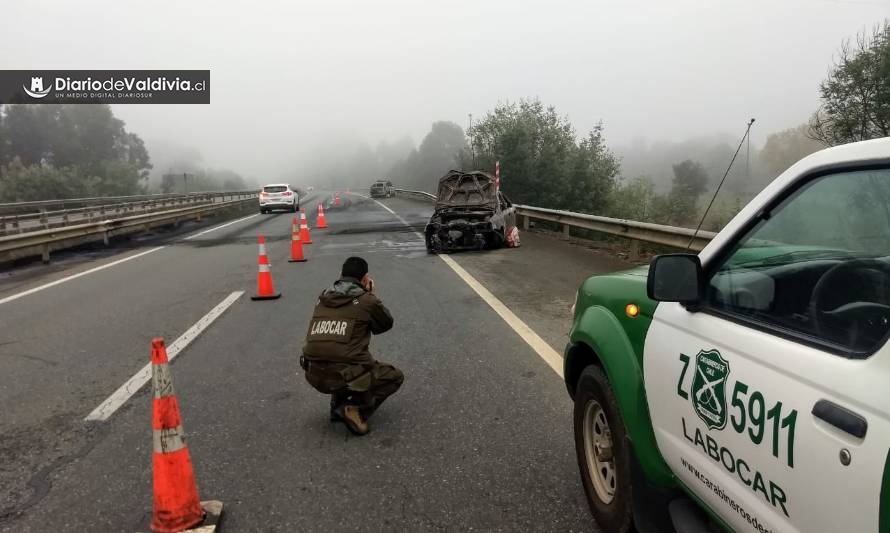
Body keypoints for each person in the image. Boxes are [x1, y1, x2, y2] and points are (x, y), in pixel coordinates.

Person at [300, 256, 404, 435]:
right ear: (365, 279)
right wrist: (370, 295)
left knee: (335, 353)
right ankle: (354, 408)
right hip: (343, 376)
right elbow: (385, 324)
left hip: (313, 374)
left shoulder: (322, 297)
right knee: (394, 376)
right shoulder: (366, 300)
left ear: (340, 275)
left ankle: (336, 408)